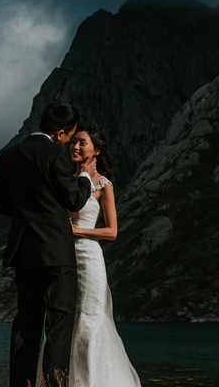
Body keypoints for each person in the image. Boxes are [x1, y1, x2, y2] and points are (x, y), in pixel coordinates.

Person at [0, 101, 95, 387]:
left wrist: (27, 212)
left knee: (26, 323)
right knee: (59, 325)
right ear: (60, 133)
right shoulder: (56, 155)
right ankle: (54, 384)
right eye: (70, 135)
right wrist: (85, 177)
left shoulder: (8, 155)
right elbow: (74, 199)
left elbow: (1, 203)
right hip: (57, 252)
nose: (69, 141)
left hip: (24, 251)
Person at [67, 123, 141, 387]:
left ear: (96, 150)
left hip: (89, 259)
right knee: (67, 323)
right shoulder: (66, 180)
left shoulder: (103, 184)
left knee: (89, 322)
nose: (75, 146)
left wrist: (76, 231)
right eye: (73, 141)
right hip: (64, 259)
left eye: (82, 142)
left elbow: (111, 232)